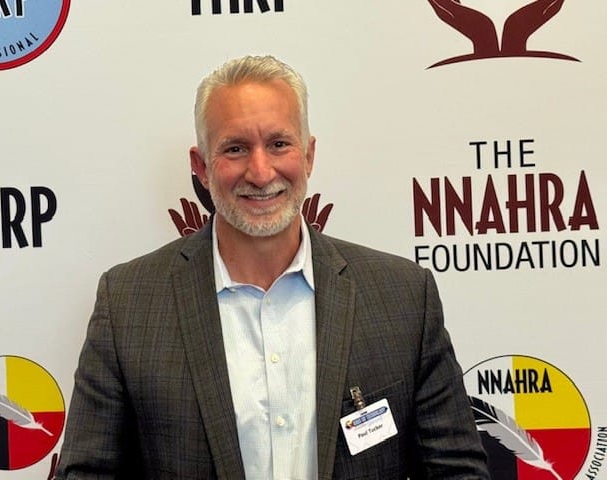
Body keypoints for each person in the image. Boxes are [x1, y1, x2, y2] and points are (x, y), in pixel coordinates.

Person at [57, 55, 489, 479]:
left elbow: (457, 471)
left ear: (309, 155)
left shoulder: (403, 297)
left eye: (279, 144)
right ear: (201, 167)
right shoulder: (128, 305)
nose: (261, 173)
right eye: (236, 149)